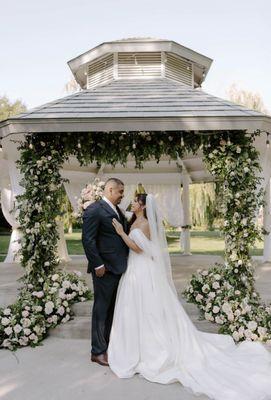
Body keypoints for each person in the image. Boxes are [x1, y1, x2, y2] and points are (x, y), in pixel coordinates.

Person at [108, 193, 271, 400]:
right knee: (139, 309)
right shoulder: (135, 220)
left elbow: (139, 248)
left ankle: (154, 350)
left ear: (142, 206)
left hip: (142, 269)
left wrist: (122, 234)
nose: (132, 203)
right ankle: (137, 347)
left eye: (135, 201)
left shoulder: (146, 224)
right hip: (135, 270)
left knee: (149, 309)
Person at [82, 178, 129, 366]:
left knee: (111, 309)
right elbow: (88, 240)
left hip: (118, 267)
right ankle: (97, 351)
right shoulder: (94, 209)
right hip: (105, 269)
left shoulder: (117, 210)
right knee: (101, 309)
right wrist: (98, 265)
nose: (122, 196)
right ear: (110, 190)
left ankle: (107, 345)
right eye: (120, 192)